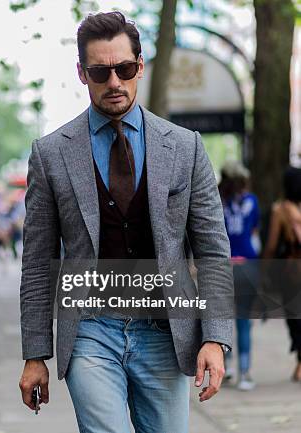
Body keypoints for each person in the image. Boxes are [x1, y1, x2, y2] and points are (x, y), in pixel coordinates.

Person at [18, 12, 233, 433]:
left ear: (140, 65)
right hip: (90, 330)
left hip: (165, 331)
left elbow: (212, 250)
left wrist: (215, 336)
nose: (114, 82)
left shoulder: (186, 147)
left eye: (125, 69)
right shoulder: (50, 154)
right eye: (100, 71)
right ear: (82, 73)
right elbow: (38, 263)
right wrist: (35, 353)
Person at [219, 161, 260, 391]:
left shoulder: (215, 200)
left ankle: (226, 366)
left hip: (223, 266)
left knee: (221, 320)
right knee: (244, 322)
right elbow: (253, 231)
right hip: (248, 265)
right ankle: (245, 373)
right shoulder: (252, 201)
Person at [263, 166, 301, 381]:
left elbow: (271, 245)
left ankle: (300, 363)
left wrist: (264, 269)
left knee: (295, 317)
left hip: (292, 271)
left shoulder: (281, 210)